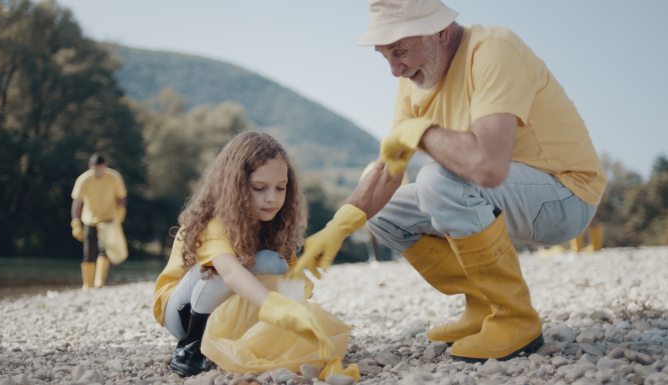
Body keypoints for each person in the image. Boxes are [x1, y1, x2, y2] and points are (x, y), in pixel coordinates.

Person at [291, 0, 607, 362]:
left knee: (439, 181)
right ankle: (483, 306)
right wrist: (336, 230)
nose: (395, 70)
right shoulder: (414, 83)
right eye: (385, 56)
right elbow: (387, 168)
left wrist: (421, 131)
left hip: (565, 196)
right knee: (383, 213)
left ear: (439, 32)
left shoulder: (494, 50)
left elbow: (487, 168)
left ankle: (515, 318)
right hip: (503, 197)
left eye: (401, 51)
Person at [153, 131, 335, 377]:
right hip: (183, 314)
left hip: (225, 314)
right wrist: (277, 307)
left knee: (275, 264)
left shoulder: (274, 226)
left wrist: (302, 324)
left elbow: (291, 284)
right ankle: (190, 349)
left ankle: (227, 342)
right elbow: (229, 271)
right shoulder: (213, 220)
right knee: (256, 262)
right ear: (235, 186)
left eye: (281, 188)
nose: (272, 198)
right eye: (259, 188)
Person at [71, 153, 127, 289]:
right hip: (90, 219)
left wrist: (121, 211)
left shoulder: (114, 178)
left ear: (105, 166)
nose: (98, 171)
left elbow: (121, 197)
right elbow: (77, 203)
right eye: (95, 168)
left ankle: (99, 282)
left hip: (109, 219)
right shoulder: (83, 179)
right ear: (91, 167)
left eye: (100, 167)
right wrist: (75, 222)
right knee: (88, 251)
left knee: (104, 250)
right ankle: (87, 284)